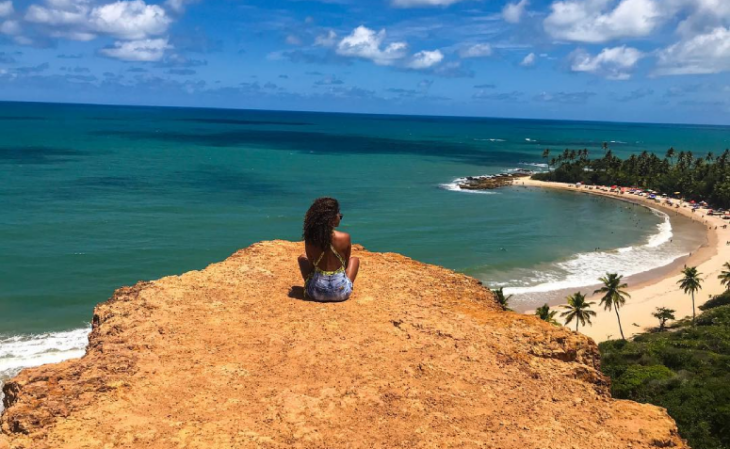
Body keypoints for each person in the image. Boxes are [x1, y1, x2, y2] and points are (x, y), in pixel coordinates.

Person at [298, 197, 360, 302]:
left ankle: (310, 284)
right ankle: (346, 286)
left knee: (301, 258)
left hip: (316, 293)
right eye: (338, 214)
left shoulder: (310, 239)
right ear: (331, 218)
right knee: (355, 260)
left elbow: (312, 266)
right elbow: (345, 264)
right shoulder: (345, 237)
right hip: (341, 293)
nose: (340, 216)